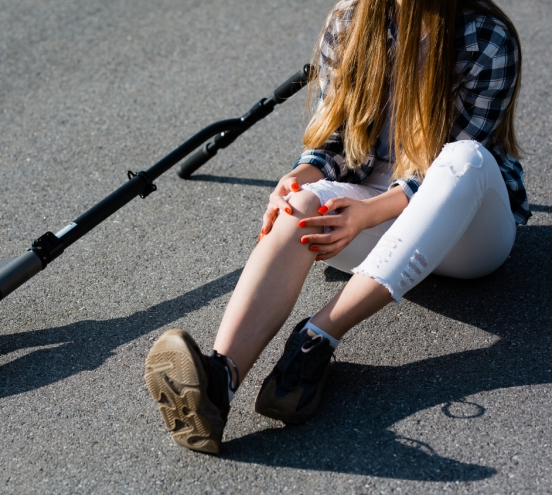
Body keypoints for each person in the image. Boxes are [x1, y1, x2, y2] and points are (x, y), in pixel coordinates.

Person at [144, 0, 528, 455]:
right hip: (370, 219)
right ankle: (219, 381)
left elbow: (455, 160)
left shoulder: (486, 36)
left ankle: (316, 339)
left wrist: (369, 212)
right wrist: (299, 177)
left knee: (465, 160)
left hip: (469, 238)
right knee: (304, 204)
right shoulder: (351, 19)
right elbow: (339, 137)